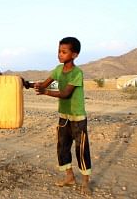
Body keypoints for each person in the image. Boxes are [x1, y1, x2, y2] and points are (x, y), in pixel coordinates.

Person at [33, 37, 92, 195]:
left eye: (64, 52)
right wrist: (32, 85)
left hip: (78, 118)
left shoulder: (77, 73)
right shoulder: (58, 69)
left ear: (75, 55)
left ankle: (85, 181)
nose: (60, 54)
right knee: (62, 148)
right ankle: (70, 177)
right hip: (64, 117)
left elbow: (65, 94)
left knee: (81, 149)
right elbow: (45, 83)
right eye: (59, 51)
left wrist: (45, 92)